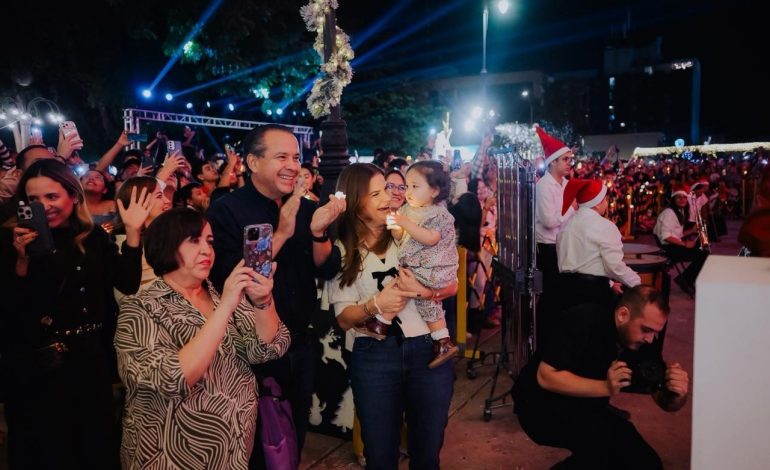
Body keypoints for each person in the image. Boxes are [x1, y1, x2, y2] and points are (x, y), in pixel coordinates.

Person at [206, 123, 346, 465]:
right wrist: (281, 233)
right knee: (254, 446)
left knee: (291, 439)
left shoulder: (305, 207)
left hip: (300, 343)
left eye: (296, 157)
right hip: (251, 353)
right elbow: (229, 276)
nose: (293, 165)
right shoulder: (226, 210)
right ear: (253, 163)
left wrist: (317, 233)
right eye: (281, 156)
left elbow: (326, 268)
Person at [0, 159, 150, 469]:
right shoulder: (10, 240)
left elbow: (128, 283)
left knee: (92, 447)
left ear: (73, 196)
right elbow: (11, 310)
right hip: (39, 366)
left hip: (89, 361)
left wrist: (133, 233)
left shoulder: (94, 237)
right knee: (46, 450)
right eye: (33, 200)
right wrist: (20, 261)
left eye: (52, 197)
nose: (44, 206)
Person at [115, 208, 290, 469]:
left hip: (234, 449)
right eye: (194, 240)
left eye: (209, 241)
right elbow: (171, 379)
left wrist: (263, 301)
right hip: (170, 454)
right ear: (165, 244)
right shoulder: (141, 307)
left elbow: (269, 348)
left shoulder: (220, 295)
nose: (207, 250)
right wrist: (225, 308)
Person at [327, 163, 457, 469]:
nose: (389, 196)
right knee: (380, 454)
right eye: (375, 193)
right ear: (357, 202)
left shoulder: (408, 228)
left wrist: (423, 293)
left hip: (429, 350)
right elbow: (344, 318)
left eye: (387, 187)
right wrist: (377, 304)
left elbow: (451, 284)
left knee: (427, 451)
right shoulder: (343, 251)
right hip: (373, 356)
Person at [513, 285, 689, 469]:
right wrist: (605, 387)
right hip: (539, 405)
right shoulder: (582, 319)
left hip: (586, 404)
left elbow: (663, 399)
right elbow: (546, 377)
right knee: (602, 449)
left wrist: (676, 392)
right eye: (646, 330)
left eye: (656, 332)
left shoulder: (644, 342)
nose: (650, 339)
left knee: (645, 462)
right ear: (622, 315)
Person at [380, 161, 459, 367]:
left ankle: (382, 323)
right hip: (417, 267)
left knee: (416, 293)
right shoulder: (408, 209)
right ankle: (382, 323)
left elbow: (431, 238)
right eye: (408, 186)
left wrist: (404, 223)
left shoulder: (438, 214)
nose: (408, 192)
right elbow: (400, 238)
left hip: (433, 269)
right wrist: (395, 226)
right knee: (409, 291)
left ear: (434, 191)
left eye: (415, 186)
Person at [555, 179, 641, 318]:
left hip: (565, 290)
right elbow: (614, 267)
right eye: (605, 199)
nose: (607, 203)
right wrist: (637, 282)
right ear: (597, 203)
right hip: (593, 293)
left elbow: (585, 262)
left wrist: (610, 283)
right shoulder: (605, 226)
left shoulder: (566, 225)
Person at [534, 125, 577, 309]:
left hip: (564, 244)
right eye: (565, 159)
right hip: (549, 249)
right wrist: (571, 208)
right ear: (552, 162)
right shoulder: (544, 185)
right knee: (552, 295)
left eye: (570, 159)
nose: (569, 163)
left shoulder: (566, 184)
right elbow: (549, 221)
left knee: (564, 294)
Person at [653, 183, 708, 296]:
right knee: (704, 254)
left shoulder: (680, 211)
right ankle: (685, 279)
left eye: (684, 197)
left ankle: (685, 279)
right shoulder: (669, 213)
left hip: (673, 244)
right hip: (667, 248)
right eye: (679, 197)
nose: (682, 199)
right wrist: (684, 244)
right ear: (673, 199)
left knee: (705, 248)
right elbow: (666, 237)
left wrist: (692, 231)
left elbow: (677, 233)